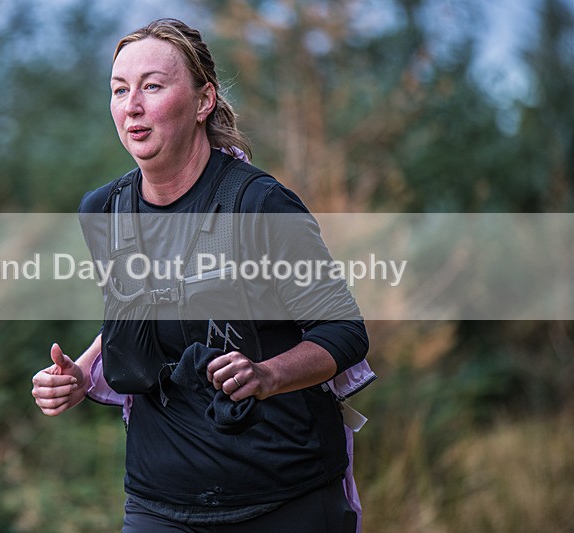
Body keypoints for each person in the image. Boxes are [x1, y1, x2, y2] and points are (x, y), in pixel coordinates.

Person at [32, 18, 369, 532]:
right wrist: (81, 373)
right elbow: (141, 310)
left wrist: (267, 375)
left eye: (152, 86)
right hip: (157, 502)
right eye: (120, 90)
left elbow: (344, 332)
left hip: (286, 497)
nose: (132, 105)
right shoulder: (105, 211)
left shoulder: (259, 204)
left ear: (203, 101)